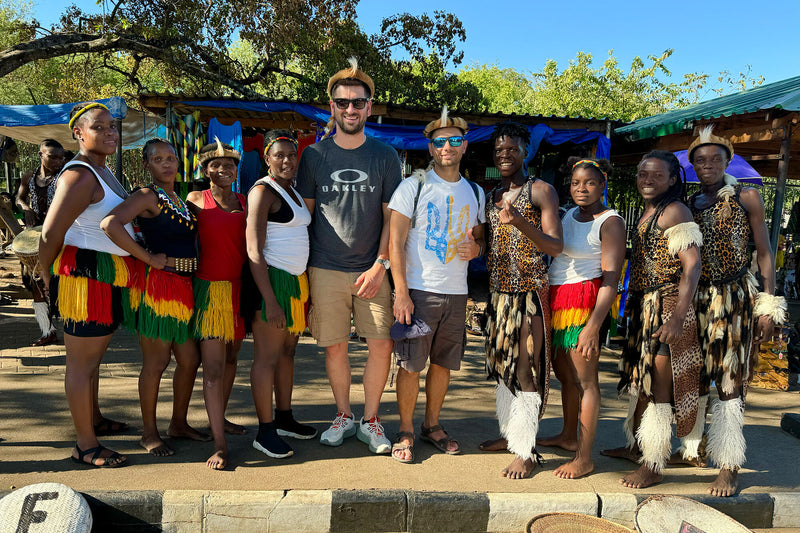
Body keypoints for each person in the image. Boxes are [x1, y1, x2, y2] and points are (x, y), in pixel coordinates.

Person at [296, 58, 402, 454]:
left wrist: (381, 265)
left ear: (369, 107)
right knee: (335, 346)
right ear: (332, 107)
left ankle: (371, 420)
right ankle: (343, 415)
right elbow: (303, 216)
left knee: (381, 345)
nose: (350, 109)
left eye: (358, 102)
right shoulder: (313, 156)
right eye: (343, 102)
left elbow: (392, 219)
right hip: (325, 268)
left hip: (373, 269)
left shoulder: (385, 156)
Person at [678, 126, 785, 497]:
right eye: (700, 160)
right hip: (696, 299)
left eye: (715, 159)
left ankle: (729, 465)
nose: (707, 164)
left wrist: (768, 304)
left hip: (734, 298)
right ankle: (692, 449)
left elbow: (764, 252)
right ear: (693, 165)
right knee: (694, 375)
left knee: (729, 380)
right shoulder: (688, 203)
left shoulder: (746, 196)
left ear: (727, 162)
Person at [39, 102, 139, 468]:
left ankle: (93, 419)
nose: (110, 132)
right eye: (100, 127)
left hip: (104, 274)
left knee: (93, 360)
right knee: (81, 364)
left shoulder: (101, 169)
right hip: (85, 278)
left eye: (112, 126)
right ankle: (85, 445)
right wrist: (45, 274)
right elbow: (50, 232)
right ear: (79, 134)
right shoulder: (79, 176)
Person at [388, 108, 486, 463]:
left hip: (457, 293)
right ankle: (405, 430)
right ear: (430, 148)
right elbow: (394, 243)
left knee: (444, 363)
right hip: (419, 290)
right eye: (440, 142)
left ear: (464, 146)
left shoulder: (475, 191)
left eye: (454, 140)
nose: (447, 147)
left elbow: (481, 237)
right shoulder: (412, 187)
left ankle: (431, 425)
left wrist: (477, 249)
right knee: (411, 364)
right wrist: (401, 292)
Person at [101, 138, 208, 457]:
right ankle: (149, 433)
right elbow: (110, 224)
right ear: (146, 164)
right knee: (157, 362)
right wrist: (147, 258)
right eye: (158, 159)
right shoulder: (147, 195)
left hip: (183, 288)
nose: (166, 163)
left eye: (171, 157)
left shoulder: (178, 198)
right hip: (158, 289)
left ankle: (179, 423)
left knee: (190, 360)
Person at [613, 150, 703, 489]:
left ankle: (653, 464)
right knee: (643, 383)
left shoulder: (675, 210)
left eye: (656, 175)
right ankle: (637, 447)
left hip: (666, 307)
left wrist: (677, 318)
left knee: (658, 390)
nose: (647, 180)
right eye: (642, 174)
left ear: (673, 179)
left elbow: (692, 265)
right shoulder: (652, 210)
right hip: (645, 307)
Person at [481, 121, 563, 479]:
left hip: (529, 294)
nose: (505, 155)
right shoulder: (491, 196)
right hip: (499, 294)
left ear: (526, 151)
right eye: (499, 150)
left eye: (512, 149)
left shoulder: (541, 190)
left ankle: (527, 452)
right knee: (504, 366)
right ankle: (512, 435)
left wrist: (519, 223)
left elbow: (555, 246)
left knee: (525, 368)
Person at [537, 158, 625, 479]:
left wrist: (593, 327)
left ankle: (584, 457)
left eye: (589, 182)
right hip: (557, 300)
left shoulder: (610, 222)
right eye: (576, 183)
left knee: (586, 381)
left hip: (583, 304)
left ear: (602, 185)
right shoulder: (567, 215)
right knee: (565, 375)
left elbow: (611, 280)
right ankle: (568, 435)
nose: (581, 188)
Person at [245, 130, 316, 459]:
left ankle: (284, 417)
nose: (287, 160)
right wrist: (270, 301)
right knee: (267, 358)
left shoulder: (293, 191)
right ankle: (265, 431)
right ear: (267, 158)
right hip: (273, 283)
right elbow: (253, 250)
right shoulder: (262, 191)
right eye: (279, 155)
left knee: (288, 353)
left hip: (295, 284)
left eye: (291, 154)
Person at [186, 141, 248, 470]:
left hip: (240, 291)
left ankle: (218, 420)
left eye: (229, 165)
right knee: (212, 369)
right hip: (209, 292)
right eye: (216, 164)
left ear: (237, 170)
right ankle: (220, 445)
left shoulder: (246, 202)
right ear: (205, 169)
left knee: (232, 359)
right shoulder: (195, 200)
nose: (223, 169)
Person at [16, 138, 66, 346]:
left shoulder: (65, 176)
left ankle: (74, 329)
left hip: (60, 235)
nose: (58, 162)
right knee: (34, 282)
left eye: (61, 158)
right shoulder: (29, 176)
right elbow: (19, 198)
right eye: (53, 157)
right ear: (40, 155)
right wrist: (26, 208)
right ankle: (47, 331)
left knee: (61, 282)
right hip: (35, 235)